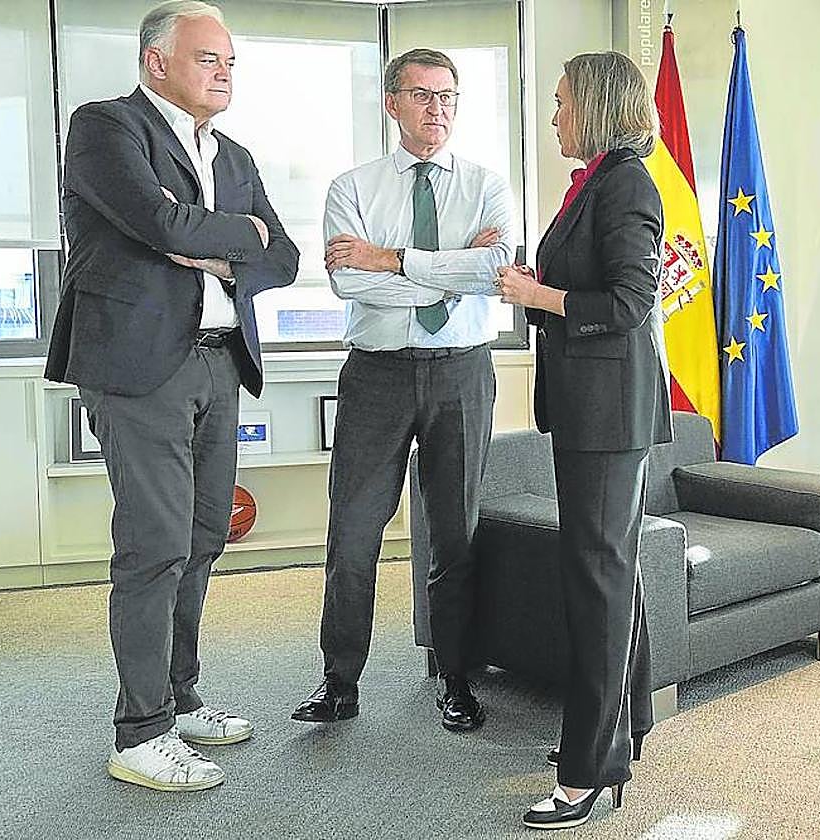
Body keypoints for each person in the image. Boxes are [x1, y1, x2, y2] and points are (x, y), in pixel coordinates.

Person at [44, 1, 299, 792]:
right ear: (156, 61)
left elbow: (282, 255)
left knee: (201, 537)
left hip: (219, 363)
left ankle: (179, 698)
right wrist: (234, 238)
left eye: (230, 62)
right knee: (154, 546)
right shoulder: (106, 127)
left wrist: (219, 250)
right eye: (207, 59)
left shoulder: (234, 153)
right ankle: (139, 732)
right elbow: (158, 221)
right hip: (139, 369)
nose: (224, 73)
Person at [291, 48, 516, 733]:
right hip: (377, 375)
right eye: (421, 95)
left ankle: (455, 679)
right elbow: (349, 283)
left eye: (448, 96)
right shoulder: (351, 187)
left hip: (461, 370)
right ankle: (339, 683)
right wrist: (456, 267)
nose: (437, 109)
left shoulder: (487, 185)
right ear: (392, 103)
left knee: (456, 537)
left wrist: (391, 259)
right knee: (353, 534)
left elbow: (497, 269)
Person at [497, 51, 672, 830]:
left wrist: (540, 293)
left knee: (597, 581)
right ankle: (620, 731)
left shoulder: (627, 181)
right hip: (591, 408)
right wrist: (540, 288)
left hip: (607, 416)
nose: (556, 115)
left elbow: (631, 301)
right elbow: (589, 287)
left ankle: (589, 772)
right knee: (611, 575)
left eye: (563, 101)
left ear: (597, 105)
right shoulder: (596, 181)